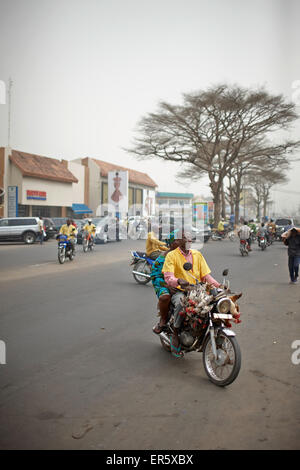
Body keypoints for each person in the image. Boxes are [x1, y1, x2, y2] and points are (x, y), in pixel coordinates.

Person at [162, 232, 221, 357]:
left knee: (215, 304)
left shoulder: (197, 254)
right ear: (179, 240)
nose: (189, 240)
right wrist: (178, 281)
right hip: (180, 290)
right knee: (181, 304)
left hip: (198, 290)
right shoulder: (171, 256)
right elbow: (168, 277)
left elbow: (206, 276)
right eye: (185, 238)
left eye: (190, 238)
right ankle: (176, 334)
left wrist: (218, 286)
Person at [151, 230, 181, 334]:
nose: (182, 242)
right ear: (172, 243)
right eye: (178, 240)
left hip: (179, 283)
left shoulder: (185, 255)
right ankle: (163, 320)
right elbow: (156, 277)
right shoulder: (161, 259)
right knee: (165, 297)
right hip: (163, 283)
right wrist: (167, 286)